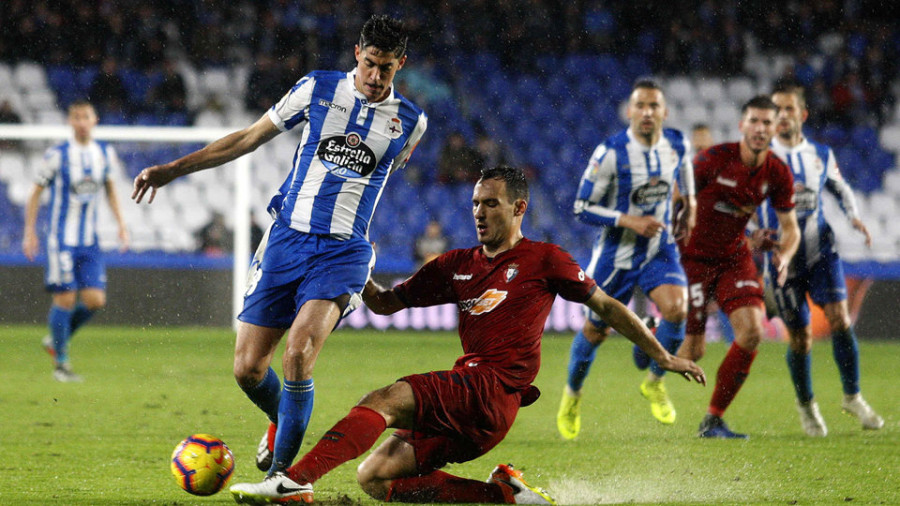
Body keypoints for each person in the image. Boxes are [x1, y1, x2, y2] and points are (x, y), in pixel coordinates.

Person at [229, 166, 706, 504]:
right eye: (475, 203)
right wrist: (359, 266)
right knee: (374, 478)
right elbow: (384, 303)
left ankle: (294, 481)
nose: (479, 212)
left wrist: (662, 356)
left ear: (519, 208)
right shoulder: (455, 266)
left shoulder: (544, 259)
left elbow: (606, 306)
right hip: (479, 411)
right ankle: (501, 495)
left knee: (387, 398)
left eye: (491, 204)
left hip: (493, 387)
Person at [132, 15, 427, 477]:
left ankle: (282, 480)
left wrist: (361, 275)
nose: (374, 77)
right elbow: (249, 139)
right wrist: (172, 169)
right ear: (357, 54)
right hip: (286, 239)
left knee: (298, 353)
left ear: (400, 65)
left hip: (342, 251)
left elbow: (373, 186)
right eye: (370, 64)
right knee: (249, 369)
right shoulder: (316, 89)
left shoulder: (411, 122)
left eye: (386, 69)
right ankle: (281, 419)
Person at [557, 80, 696, 436]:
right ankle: (572, 396)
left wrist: (690, 204)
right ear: (630, 111)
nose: (647, 112)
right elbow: (581, 207)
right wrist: (629, 219)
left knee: (678, 309)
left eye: (654, 106)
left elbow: (684, 171)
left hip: (658, 250)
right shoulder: (611, 153)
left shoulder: (677, 143)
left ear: (664, 112)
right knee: (595, 330)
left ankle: (653, 380)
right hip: (616, 255)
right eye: (641, 106)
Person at [756, 83, 882, 436]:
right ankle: (807, 406)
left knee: (840, 318)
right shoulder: (762, 156)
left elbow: (839, 188)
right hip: (782, 256)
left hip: (821, 249)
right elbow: (746, 201)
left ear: (802, 114)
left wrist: (854, 216)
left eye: (788, 109)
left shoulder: (820, 154)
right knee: (800, 338)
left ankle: (853, 395)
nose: (782, 116)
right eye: (776, 110)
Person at [679, 95, 801, 439]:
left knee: (752, 331)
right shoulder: (714, 160)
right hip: (695, 257)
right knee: (693, 351)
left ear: (776, 128)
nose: (761, 129)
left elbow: (790, 228)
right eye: (755, 121)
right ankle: (647, 346)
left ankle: (713, 419)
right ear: (742, 125)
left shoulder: (777, 172)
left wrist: (786, 255)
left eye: (767, 123)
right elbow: (678, 195)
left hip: (734, 257)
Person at [22, 99, 130, 382]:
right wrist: (29, 231)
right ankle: (62, 365)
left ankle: (57, 338)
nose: (81, 121)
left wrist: (121, 224)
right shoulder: (57, 154)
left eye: (86, 116)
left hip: (89, 240)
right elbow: (35, 192)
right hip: (61, 239)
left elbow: (110, 189)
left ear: (95, 120)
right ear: (70, 122)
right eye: (76, 117)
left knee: (95, 300)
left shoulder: (105, 153)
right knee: (66, 298)